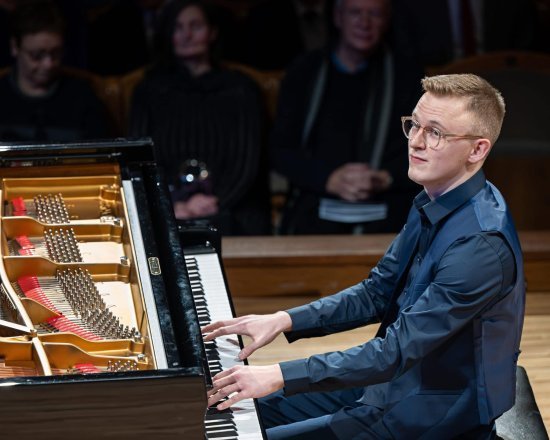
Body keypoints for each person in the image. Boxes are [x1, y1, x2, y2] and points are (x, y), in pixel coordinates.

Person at [203, 73, 526, 438]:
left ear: (477, 149)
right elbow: (377, 292)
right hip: (391, 384)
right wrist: (282, 319)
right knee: (221, 411)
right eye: (414, 125)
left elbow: (396, 351)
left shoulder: (478, 247)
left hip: (432, 412)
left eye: (435, 133)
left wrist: (277, 374)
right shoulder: (433, 199)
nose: (416, 142)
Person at [270, 0, 423, 235]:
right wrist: (328, 179)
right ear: (338, 17)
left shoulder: (408, 76)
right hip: (316, 203)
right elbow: (281, 149)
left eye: (374, 14)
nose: (364, 23)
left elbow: (430, 148)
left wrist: (385, 178)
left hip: (388, 208)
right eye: (355, 13)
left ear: (387, 20)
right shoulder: (305, 72)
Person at [129, 0, 271, 236]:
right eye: (177, 28)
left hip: (232, 205)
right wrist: (171, 204)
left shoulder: (241, 88)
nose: (187, 35)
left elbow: (248, 160)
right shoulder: (148, 90)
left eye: (195, 26)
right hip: (171, 207)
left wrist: (214, 202)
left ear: (212, 32)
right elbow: (140, 157)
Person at [0, 0, 110, 143]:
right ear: (15, 47)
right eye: (37, 55)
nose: (48, 64)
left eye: (56, 53)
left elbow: (102, 153)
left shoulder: (82, 95)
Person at [391, 0, 539, 69]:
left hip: (501, 83)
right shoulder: (408, 5)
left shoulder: (514, 4)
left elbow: (526, 53)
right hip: (437, 84)